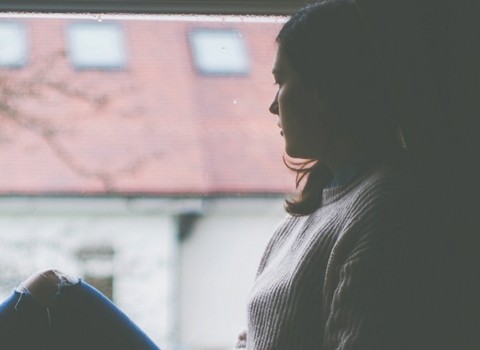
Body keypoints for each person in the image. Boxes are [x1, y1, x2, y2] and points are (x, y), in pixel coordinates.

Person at [0, 1, 436, 349]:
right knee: (51, 293)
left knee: (55, 300)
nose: (272, 106)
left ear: (322, 92)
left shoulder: (385, 208)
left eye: (281, 81)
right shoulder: (310, 214)